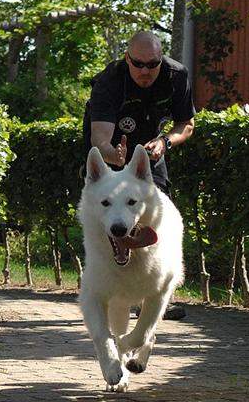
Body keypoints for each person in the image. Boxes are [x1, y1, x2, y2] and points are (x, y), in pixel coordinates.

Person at [83, 31, 195, 320]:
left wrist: (165, 142)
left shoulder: (176, 76)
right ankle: (109, 289)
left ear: (162, 60)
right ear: (127, 58)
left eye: (153, 64)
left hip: (149, 154)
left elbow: (186, 124)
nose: (145, 70)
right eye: (138, 64)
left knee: (160, 214)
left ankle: (155, 292)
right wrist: (113, 156)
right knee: (108, 218)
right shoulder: (110, 82)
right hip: (110, 153)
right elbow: (99, 137)